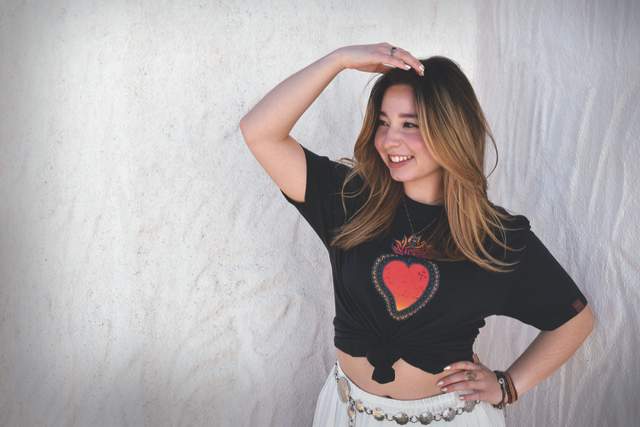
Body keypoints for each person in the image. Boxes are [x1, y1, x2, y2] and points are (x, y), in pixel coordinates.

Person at [239, 43, 595, 426]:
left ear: (450, 131)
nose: (390, 140)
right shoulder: (350, 200)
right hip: (348, 413)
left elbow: (575, 319)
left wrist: (508, 386)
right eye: (382, 121)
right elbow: (260, 132)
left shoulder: (494, 238)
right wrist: (338, 60)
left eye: (410, 124)